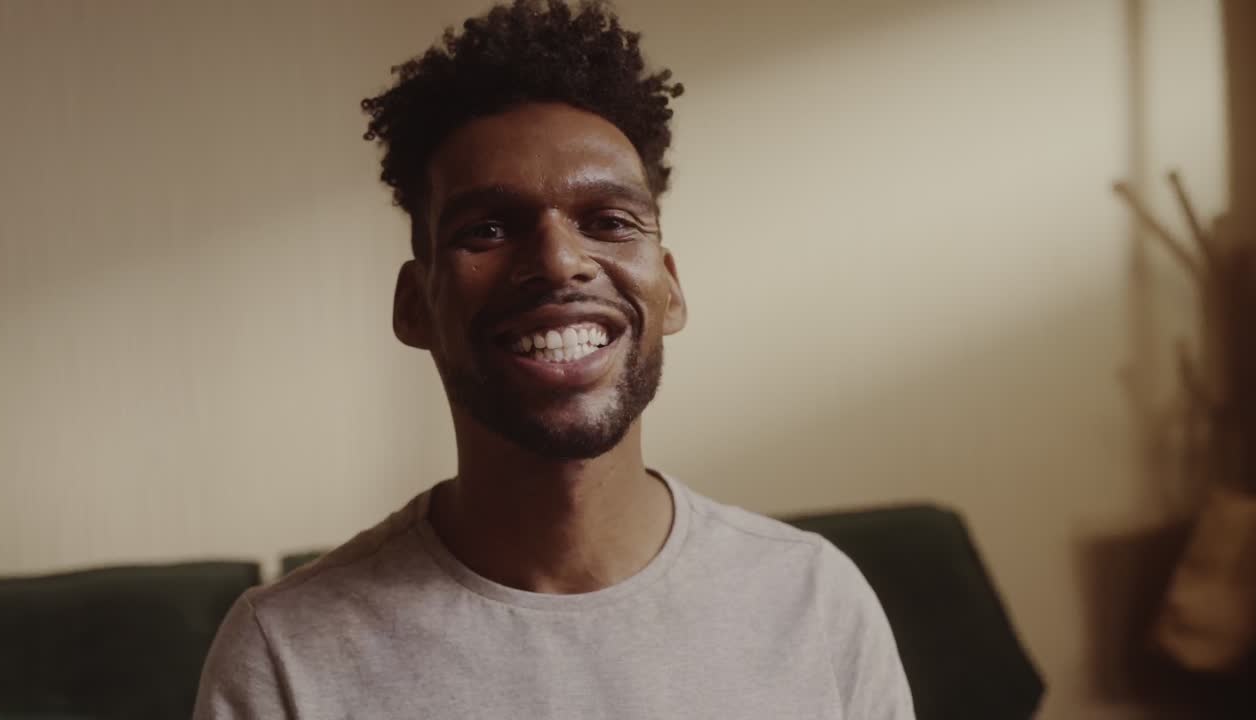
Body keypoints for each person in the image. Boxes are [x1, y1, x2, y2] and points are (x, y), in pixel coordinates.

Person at [193, 1, 914, 717]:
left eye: (607, 221)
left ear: (671, 291)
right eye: (489, 228)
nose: (560, 260)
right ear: (415, 306)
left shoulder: (816, 601)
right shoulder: (283, 654)